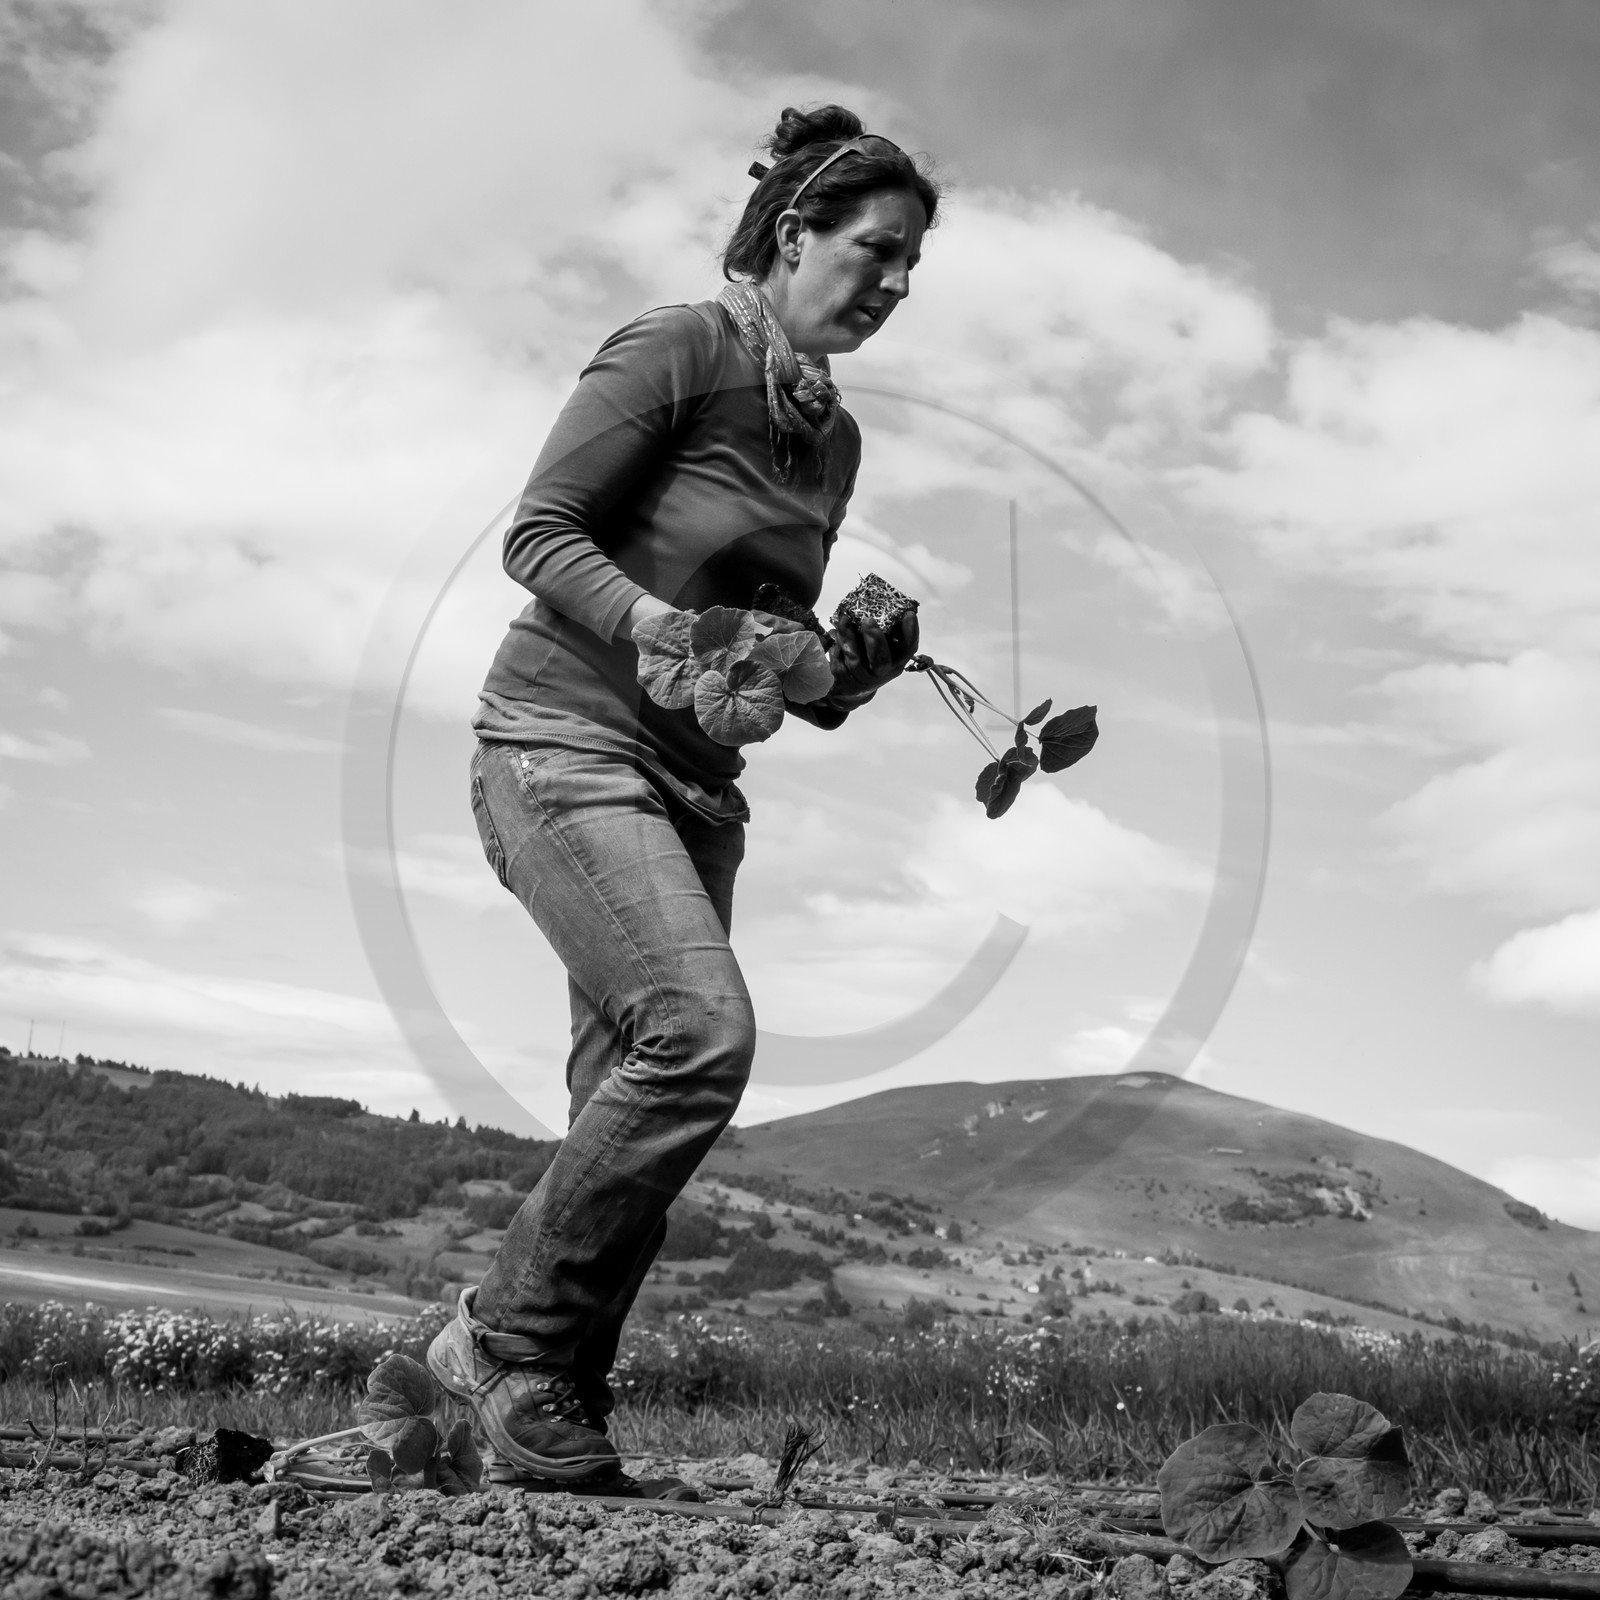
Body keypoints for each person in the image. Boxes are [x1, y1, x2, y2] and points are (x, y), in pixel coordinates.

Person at [427, 104, 940, 1484]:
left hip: (696, 792)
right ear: (794, 234)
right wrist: (656, 626)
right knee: (700, 1036)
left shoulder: (830, 447)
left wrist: (856, 671)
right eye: (875, 251)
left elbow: (773, 660)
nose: (892, 285)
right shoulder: (679, 349)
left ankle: (541, 1407)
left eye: (910, 270)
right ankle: (501, 1343)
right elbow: (540, 533)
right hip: (561, 746)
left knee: (629, 1097)